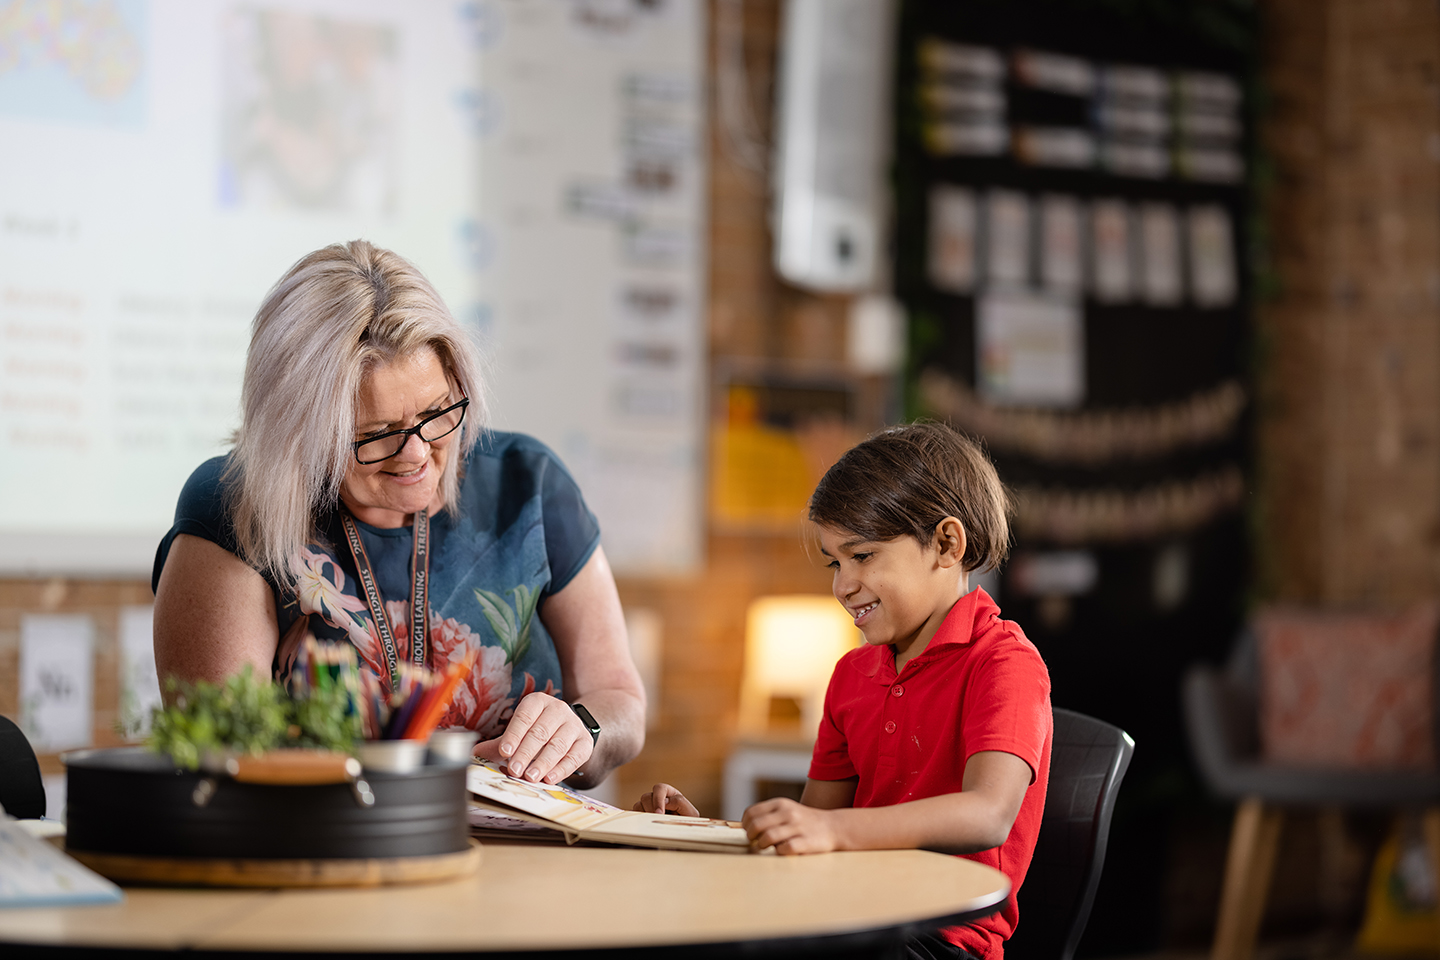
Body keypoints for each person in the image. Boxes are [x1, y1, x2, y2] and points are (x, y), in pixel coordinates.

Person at [153, 240, 645, 788]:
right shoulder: (234, 508)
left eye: (437, 414)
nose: (415, 454)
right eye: (375, 435)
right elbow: (225, 761)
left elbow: (621, 701)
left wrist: (584, 727)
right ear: (299, 434)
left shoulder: (527, 483)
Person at [637, 422, 1052, 960]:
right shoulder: (851, 675)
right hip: (844, 914)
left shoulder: (1004, 664)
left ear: (947, 544)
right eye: (836, 561)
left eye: (864, 556)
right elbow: (814, 829)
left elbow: (986, 814)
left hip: (937, 940)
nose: (842, 585)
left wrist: (830, 832)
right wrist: (703, 835)